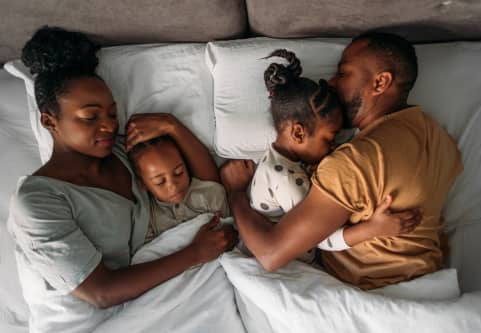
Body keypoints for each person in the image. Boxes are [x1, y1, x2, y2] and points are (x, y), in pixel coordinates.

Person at [7, 26, 237, 332]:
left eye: (112, 114)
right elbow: (100, 292)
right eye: (91, 117)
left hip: (151, 294)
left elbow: (204, 189)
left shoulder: (121, 151)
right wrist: (195, 252)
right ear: (49, 120)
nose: (107, 126)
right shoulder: (38, 202)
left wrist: (171, 126)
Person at [220, 32, 462, 290]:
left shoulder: (352, 163)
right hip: (431, 279)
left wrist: (235, 193)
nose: (332, 83)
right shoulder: (438, 138)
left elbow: (271, 254)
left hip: (374, 291)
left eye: (344, 74)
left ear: (380, 82)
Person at [249, 49, 420, 263]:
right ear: (299, 133)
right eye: (329, 139)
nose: (333, 148)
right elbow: (319, 238)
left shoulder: (282, 160)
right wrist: (373, 229)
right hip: (291, 263)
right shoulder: (286, 179)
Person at [127, 122, 229, 243]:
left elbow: (228, 232)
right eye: (160, 182)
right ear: (143, 184)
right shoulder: (148, 219)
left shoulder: (211, 193)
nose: (173, 186)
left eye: (179, 172)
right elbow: (150, 254)